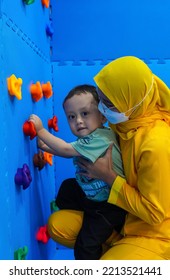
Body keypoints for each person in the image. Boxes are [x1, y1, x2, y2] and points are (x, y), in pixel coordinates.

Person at [47, 56, 170, 260]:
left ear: (129, 102)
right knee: (58, 225)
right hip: (123, 217)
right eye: (101, 98)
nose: (101, 108)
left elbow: (154, 214)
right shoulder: (126, 121)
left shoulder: (156, 144)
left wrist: (108, 176)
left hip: (153, 234)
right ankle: (115, 249)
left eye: (108, 103)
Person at [29, 84, 126, 260]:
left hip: (109, 206)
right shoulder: (93, 137)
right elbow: (68, 151)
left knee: (85, 244)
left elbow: (66, 150)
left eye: (85, 114)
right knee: (67, 190)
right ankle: (91, 222)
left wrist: (41, 131)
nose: (78, 121)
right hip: (95, 195)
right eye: (72, 117)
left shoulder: (101, 139)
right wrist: (46, 146)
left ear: (102, 116)